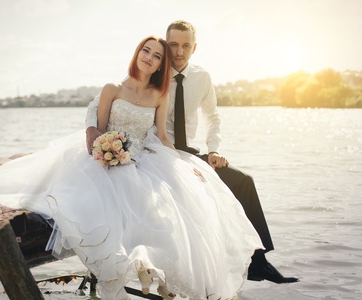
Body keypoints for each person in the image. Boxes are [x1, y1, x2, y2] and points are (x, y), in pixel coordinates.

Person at [0, 36, 263, 300]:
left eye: (157, 56)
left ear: (161, 65)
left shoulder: (160, 95)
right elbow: (99, 129)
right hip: (105, 155)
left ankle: (152, 269)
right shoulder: (112, 88)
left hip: (142, 156)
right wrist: (107, 150)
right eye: (146, 51)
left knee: (168, 204)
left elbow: (163, 136)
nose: (150, 58)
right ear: (137, 54)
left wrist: (189, 164)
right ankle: (121, 275)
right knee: (102, 204)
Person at [85, 20, 299, 285]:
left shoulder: (201, 77)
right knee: (188, 194)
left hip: (191, 152)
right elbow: (101, 103)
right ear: (165, 45)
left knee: (242, 182)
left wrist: (214, 150)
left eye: (185, 46)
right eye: (173, 45)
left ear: (194, 48)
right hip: (158, 152)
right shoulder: (152, 74)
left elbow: (213, 116)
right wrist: (91, 131)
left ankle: (258, 262)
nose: (179, 51)